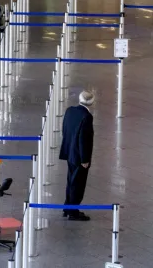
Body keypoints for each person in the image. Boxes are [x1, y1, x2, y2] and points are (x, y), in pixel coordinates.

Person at [59, 90, 94, 221]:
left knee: (71, 181)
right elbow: (84, 139)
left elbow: (65, 129)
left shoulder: (70, 111)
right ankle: (73, 212)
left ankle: (67, 207)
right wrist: (85, 159)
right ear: (91, 102)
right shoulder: (87, 116)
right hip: (79, 156)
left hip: (70, 152)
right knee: (78, 184)